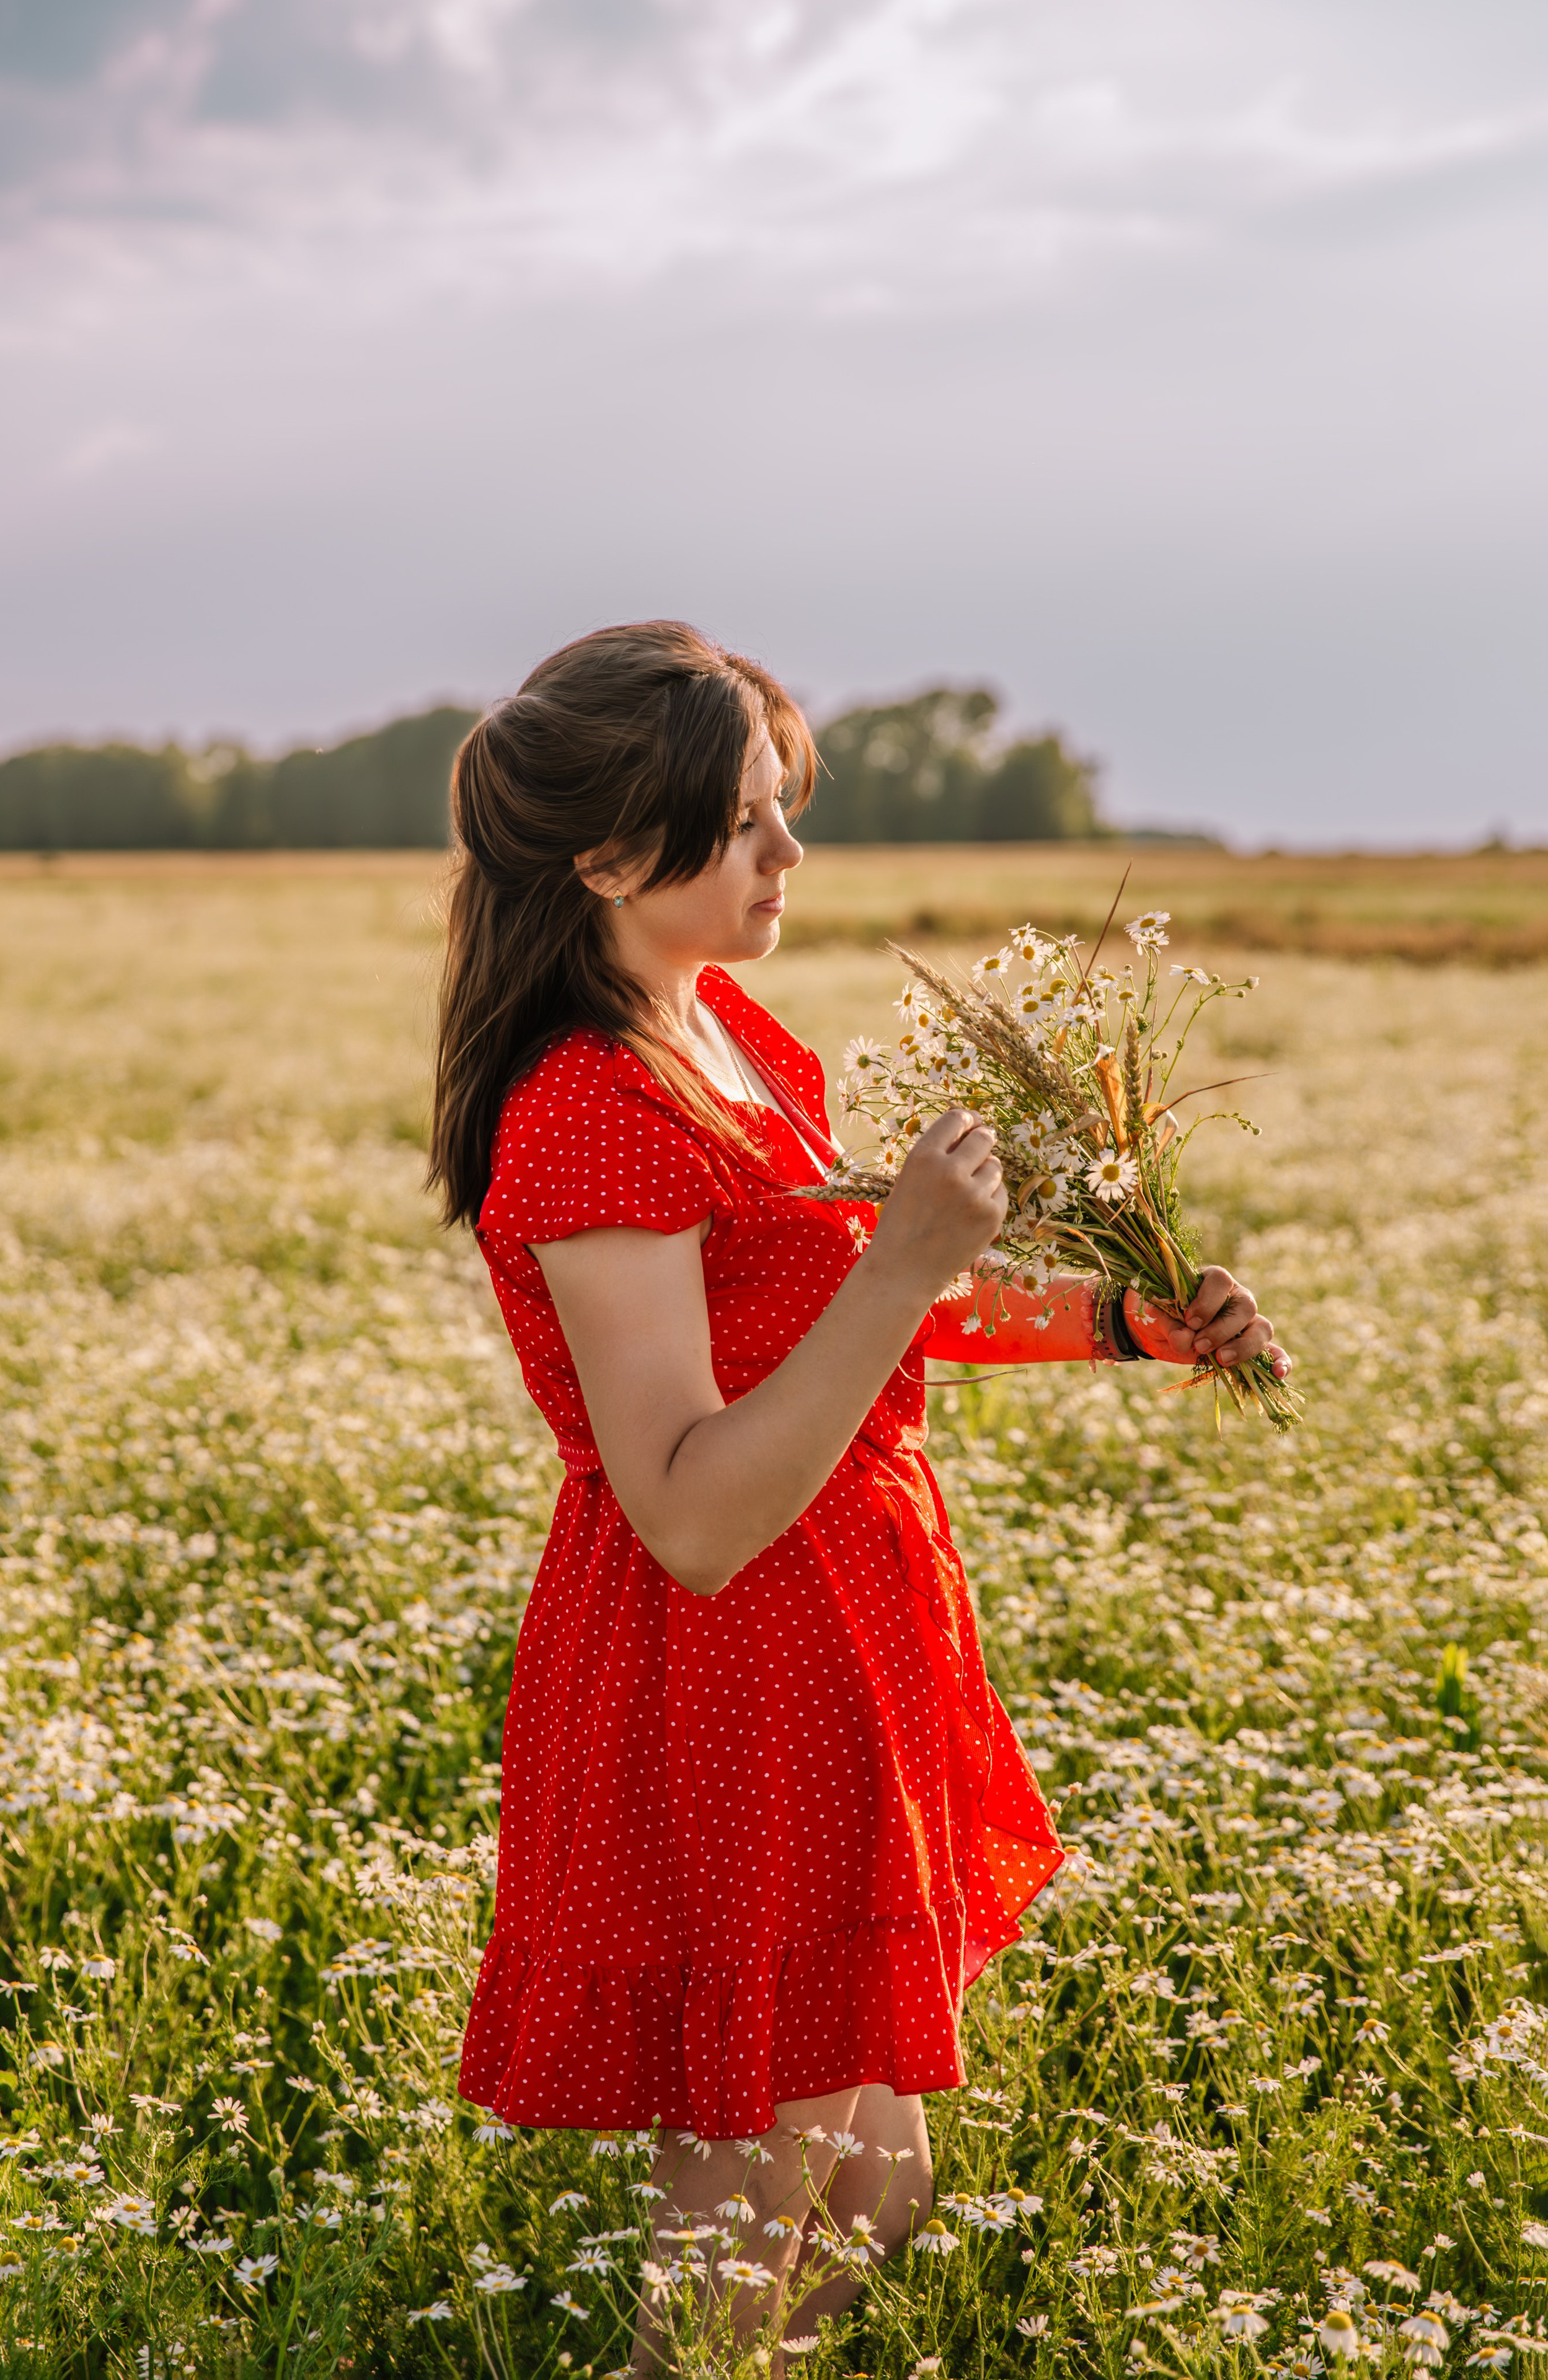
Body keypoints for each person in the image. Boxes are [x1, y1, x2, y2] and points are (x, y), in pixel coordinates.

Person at [428, 621, 1289, 2368]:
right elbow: (687, 1509)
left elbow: (852, 1290)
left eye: (779, 811)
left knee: (866, 2189)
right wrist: (896, 1273)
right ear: (604, 856)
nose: (788, 855)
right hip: (730, 1667)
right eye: (745, 823)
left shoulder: (723, 1027)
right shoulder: (587, 1112)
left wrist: (1129, 1321)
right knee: (764, 2206)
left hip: (850, 1634)